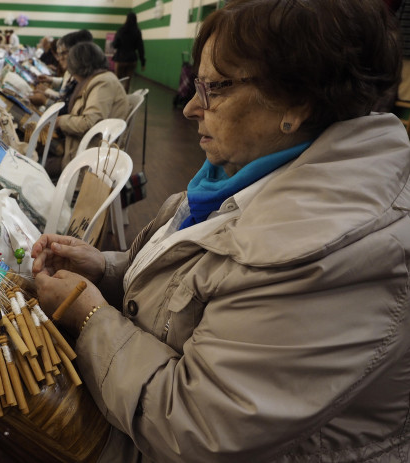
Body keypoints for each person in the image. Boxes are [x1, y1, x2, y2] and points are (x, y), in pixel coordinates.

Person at [31, 0, 409, 461]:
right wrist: (107, 268)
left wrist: (89, 316)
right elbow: (190, 285)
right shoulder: (241, 175)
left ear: (296, 102)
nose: (190, 107)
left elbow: (195, 426)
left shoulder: (329, 251)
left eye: (213, 88)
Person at [50, 42, 129, 175]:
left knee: (34, 165)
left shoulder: (103, 83)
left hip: (88, 163)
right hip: (85, 153)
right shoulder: (97, 80)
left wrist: (59, 121)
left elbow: (89, 123)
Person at [28, 29, 92, 109]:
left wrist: (45, 99)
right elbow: (65, 85)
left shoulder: (85, 77)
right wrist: (51, 80)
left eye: (63, 53)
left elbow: (67, 105)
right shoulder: (75, 73)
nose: (59, 59)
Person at [112, 11, 145, 92]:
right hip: (132, 59)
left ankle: (117, 98)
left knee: (117, 81)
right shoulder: (137, 31)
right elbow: (140, 47)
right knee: (127, 82)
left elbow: (115, 44)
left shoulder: (121, 30)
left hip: (120, 59)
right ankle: (125, 98)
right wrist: (143, 62)